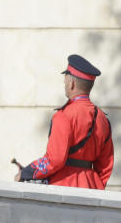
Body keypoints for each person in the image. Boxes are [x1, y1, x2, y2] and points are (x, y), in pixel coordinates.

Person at [16, 54, 113, 189]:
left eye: (65, 79)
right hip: (93, 188)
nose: (64, 83)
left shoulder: (63, 116)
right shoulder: (103, 119)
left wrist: (26, 172)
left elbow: (54, 159)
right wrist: (96, 186)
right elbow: (105, 165)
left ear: (71, 83)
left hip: (63, 187)